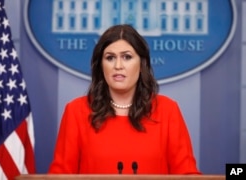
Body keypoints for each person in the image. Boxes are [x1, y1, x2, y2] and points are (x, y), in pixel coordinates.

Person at [48, 24, 201, 175]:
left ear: (142, 64)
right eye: (110, 58)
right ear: (101, 65)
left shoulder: (167, 110)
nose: (118, 66)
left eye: (127, 57)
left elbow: (187, 174)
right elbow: (60, 175)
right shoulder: (76, 111)